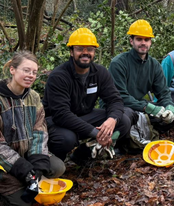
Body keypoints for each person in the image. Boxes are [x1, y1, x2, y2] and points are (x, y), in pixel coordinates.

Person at [43, 28, 137, 162]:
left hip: (85, 116)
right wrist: (96, 132)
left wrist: (111, 120)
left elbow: (115, 100)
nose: (85, 53)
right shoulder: (59, 76)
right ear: (71, 52)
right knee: (67, 139)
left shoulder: (100, 72)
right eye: (80, 49)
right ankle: (55, 161)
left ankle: (84, 154)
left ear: (94, 52)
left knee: (123, 120)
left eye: (90, 49)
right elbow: (61, 114)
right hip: (57, 122)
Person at [0, 51, 65, 205]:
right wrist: (22, 168)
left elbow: (40, 131)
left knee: (57, 167)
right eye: (26, 70)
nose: (31, 75)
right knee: (21, 201)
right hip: (3, 161)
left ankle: (32, 178)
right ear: (12, 70)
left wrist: (38, 163)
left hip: (28, 155)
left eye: (34, 72)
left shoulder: (33, 97)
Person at [108, 20, 174, 132]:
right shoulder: (118, 63)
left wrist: (169, 108)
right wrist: (148, 108)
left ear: (150, 42)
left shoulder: (154, 64)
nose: (143, 43)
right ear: (131, 41)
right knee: (126, 118)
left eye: (146, 39)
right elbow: (120, 96)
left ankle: (149, 135)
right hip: (120, 107)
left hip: (140, 105)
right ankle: (125, 142)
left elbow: (163, 93)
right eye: (139, 39)